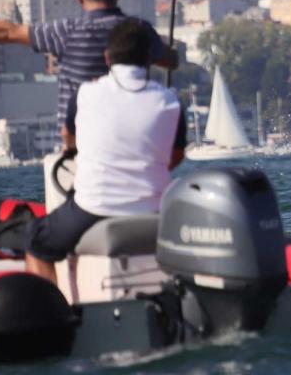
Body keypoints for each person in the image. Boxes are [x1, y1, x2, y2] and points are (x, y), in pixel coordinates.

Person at [24, 19, 186, 284]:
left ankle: (56, 316)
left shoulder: (86, 93)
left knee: (36, 239)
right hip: (155, 207)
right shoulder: (170, 100)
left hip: (94, 206)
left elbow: (69, 136)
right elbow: (176, 155)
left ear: (107, 57)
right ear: (148, 59)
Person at [0, 0, 176, 149]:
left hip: (81, 143)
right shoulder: (139, 30)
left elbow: (7, 32)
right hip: (134, 140)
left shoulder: (65, 32)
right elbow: (170, 61)